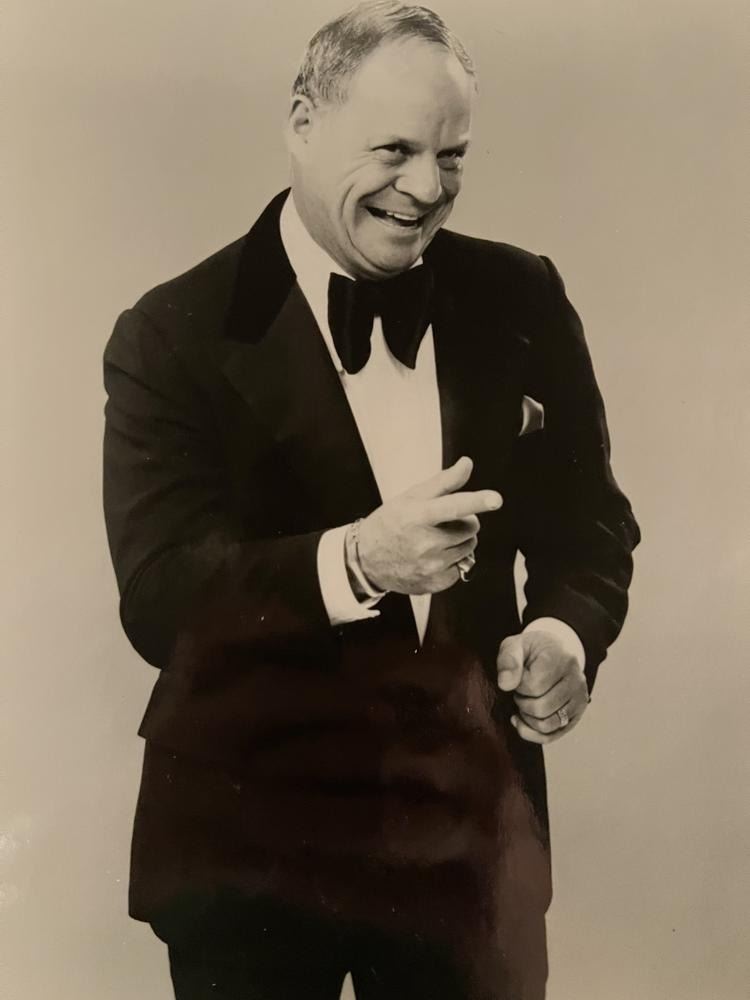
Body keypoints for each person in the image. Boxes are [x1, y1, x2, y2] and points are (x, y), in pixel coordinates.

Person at [102, 3, 640, 998]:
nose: (427, 188)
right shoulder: (171, 332)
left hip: (471, 851)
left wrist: (567, 632)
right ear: (303, 123)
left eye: (452, 155)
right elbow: (158, 598)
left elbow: (593, 524)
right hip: (249, 855)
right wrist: (354, 561)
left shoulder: (521, 294)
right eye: (394, 149)